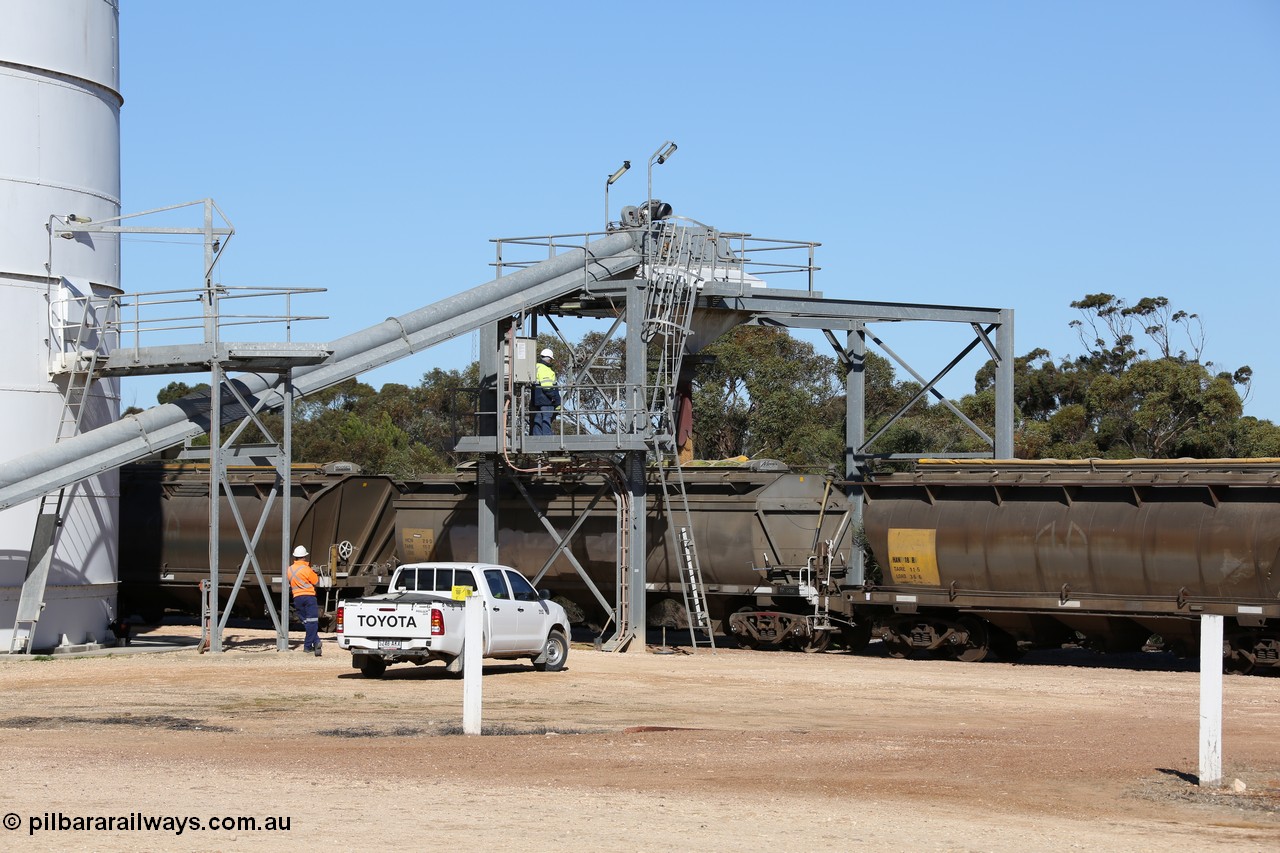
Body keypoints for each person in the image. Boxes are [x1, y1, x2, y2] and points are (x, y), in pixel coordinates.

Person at [287, 545, 321, 656]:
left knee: (306, 622)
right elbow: (316, 582)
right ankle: (308, 646)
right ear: (304, 557)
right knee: (313, 622)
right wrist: (315, 572)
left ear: (295, 557)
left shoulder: (290, 569)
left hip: (297, 598)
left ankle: (316, 642)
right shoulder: (307, 569)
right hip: (309, 598)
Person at [530, 347, 562, 436]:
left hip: (537, 399)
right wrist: (554, 398)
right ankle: (547, 437)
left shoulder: (535, 367)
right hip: (547, 400)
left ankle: (537, 436)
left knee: (538, 419)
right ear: (549, 359)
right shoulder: (545, 369)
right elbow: (547, 387)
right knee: (546, 418)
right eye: (551, 359)